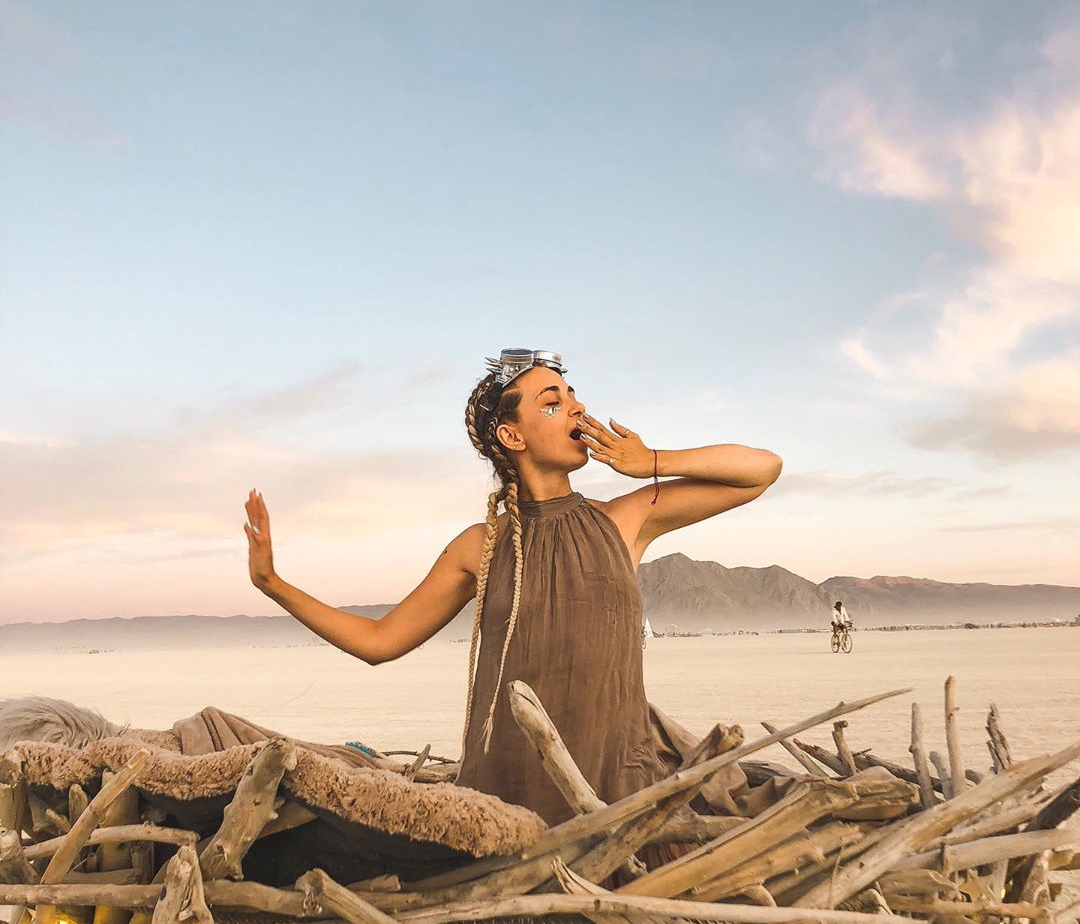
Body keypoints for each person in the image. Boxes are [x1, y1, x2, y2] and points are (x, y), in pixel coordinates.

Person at [243, 347, 783, 836]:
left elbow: (762, 470)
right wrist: (273, 585)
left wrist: (652, 463)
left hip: (616, 796)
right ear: (513, 436)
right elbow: (379, 641)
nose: (575, 408)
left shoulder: (624, 519)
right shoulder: (480, 546)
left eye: (573, 397)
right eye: (552, 403)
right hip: (507, 807)